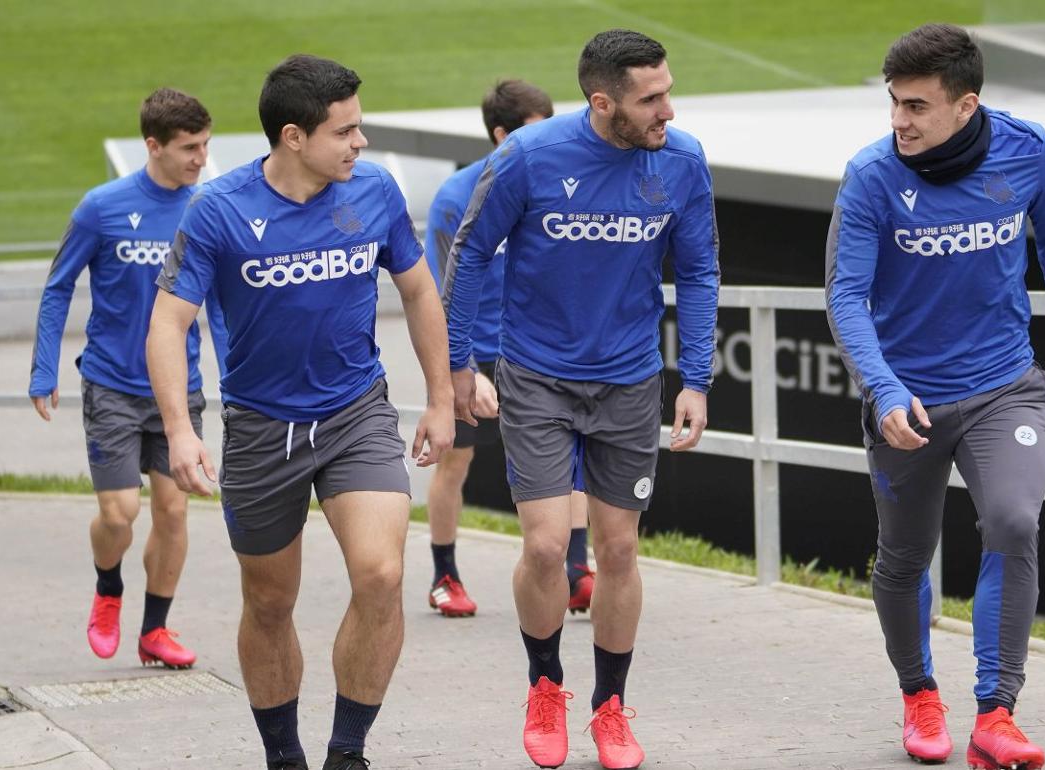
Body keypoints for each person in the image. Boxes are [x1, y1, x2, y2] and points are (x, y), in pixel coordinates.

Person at [147, 55, 454, 770]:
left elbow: (418, 290)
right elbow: (167, 323)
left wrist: (441, 398)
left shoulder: (374, 191)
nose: (360, 143)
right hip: (260, 429)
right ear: (293, 136)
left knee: (381, 575)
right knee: (268, 602)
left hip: (356, 415)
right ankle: (284, 756)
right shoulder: (219, 209)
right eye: (344, 131)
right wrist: (180, 431)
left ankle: (347, 754)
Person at [442, 29, 719, 770]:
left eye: (667, 91)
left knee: (619, 547)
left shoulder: (683, 160)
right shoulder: (529, 157)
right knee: (543, 546)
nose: (668, 110)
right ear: (603, 102)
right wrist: (459, 364)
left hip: (629, 381)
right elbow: (470, 251)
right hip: (537, 376)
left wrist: (696, 379)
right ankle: (544, 688)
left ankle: (611, 707)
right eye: (650, 99)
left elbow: (698, 271)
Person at [825, 23, 1045, 770]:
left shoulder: (1029, 150)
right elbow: (845, 296)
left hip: (1005, 386)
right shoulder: (871, 175)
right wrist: (883, 388)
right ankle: (919, 694)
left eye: (916, 105)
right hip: (907, 402)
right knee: (905, 556)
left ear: (966, 104)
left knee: (1014, 521)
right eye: (893, 102)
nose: (899, 120)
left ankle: (996, 714)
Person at [29, 87, 216, 671]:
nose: (201, 158)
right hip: (111, 384)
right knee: (120, 514)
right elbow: (58, 286)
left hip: (178, 390)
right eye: (189, 148)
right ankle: (108, 588)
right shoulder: (101, 207)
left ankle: (154, 630)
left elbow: (226, 302)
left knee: (174, 511)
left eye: (205, 145)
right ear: (153, 146)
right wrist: (43, 368)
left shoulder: (205, 210)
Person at [424, 79, 595, 619]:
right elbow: (438, 295)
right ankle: (444, 575)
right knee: (455, 461)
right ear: (502, 135)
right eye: (535, 129)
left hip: (539, 351)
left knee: (571, 459)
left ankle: (576, 570)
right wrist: (463, 368)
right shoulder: (456, 197)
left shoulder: (561, 184)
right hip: (472, 354)